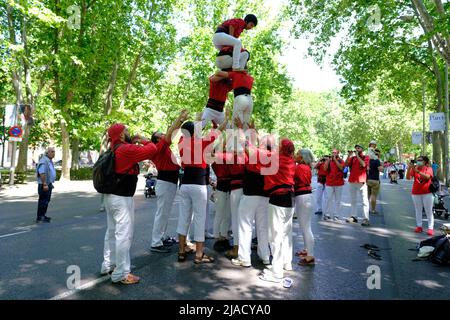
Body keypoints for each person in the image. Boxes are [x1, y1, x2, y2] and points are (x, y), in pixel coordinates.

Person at [101, 123, 159, 285]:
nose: (129, 133)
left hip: (110, 196)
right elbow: (152, 150)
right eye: (126, 131)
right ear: (120, 135)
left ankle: (108, 264)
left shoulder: (115, 149)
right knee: (123, 235)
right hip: (122, 199)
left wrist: (133, 143)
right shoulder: (126, 150)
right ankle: (121, 273)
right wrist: (143, 140)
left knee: (111, 233)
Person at [176, 114, 229, 264]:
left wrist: (197, 121)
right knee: (200, 219)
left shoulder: (181, 141)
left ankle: (181, 251)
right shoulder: (203, 141)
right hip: (199, 184)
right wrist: (225, 119)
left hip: (185, 183)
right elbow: (219, 129)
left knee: (183, 217)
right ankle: (199, 254)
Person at [149, 110, 189, 253]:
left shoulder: (162, 147)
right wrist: (180, 119)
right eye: (160, 134)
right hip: (165, 182)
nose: (163, 134)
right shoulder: (158, 147)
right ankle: (155, 242)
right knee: (162, 213)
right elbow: (171, 133)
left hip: (169, 182)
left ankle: (162, 237)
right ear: (157, 139)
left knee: (165, 212)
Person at [232, 132, 272, 268]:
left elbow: (245, 145)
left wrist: (240, 133)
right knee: (263, 227)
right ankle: (265, 256)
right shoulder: (272, 156)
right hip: (265, 196)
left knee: (245, 226)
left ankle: (244, 258)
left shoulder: (256, 153)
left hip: (250, 194)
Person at [259, 138, 296, 283]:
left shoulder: (275, 159)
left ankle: (276, 273)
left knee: (275, 236)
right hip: (290, 198)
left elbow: (258, 156)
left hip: (278, 198)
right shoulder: (291, 161)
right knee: (286, 234)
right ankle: (287, 263)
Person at [294, 148, 315, 266]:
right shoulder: (305, 167)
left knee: (306, 227)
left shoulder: (299, 167)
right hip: (305, 196)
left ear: (301, 157)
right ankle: (307, 250)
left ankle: (310, 255)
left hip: (302, 197)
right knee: (304, 226)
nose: (295, 155)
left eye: (297, 154)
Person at [406, 156, 434, 236]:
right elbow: (408, 178)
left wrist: (417, 171)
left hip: (427, 193)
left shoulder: (428, 168)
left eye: (420, 160)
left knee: (429, 211)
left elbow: (428, 177)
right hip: (416, 193)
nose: (418, 161)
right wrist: (409, 169)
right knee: (418, 210)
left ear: (425, 161)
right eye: (417, 160)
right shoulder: (414, 168)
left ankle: (430, 228)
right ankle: (419, 226)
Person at [345, 144, 370, 226]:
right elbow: (345, 164)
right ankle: (353, 217)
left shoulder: (365, 157)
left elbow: (363, 165)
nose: (356, 149)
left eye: (358, 148)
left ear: (362, 149)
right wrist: (349, 155)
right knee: (353, 200)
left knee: (364, 201)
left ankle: (366, 218)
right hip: (352, 181)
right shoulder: (352, 158)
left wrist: (357, 156)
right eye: (356, 148)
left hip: (361, 181)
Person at [36, 147, 56, 223]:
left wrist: (50, 183)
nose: (53, 153)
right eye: (52, 152)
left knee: (46, 201)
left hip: (48, 184)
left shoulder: (49, 161)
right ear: (47, 153)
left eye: (54, 152)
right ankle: (40, 217)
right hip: (44, 184)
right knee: (43, 201)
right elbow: (42, 173)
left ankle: (43, 215)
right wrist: (44, 184)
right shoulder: (44, 161)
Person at [323, 149, 345, 222]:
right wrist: (328, 161)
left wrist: (335, 160)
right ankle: (327, 214)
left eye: (335, 152)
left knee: (337, 200)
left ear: (338, 153)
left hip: (339, 183)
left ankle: (336, 215)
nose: (333, 154)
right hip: (329, 182)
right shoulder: (329, 161)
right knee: (328, 199)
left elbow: (341, 168)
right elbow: (324, 168)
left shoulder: (341, 161)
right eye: (332, 152)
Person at [367, 149, 384, 214]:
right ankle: (373, 210)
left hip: (368, 179)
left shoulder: (367, 160)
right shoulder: (377, 161)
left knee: (367, 196)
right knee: (373, 196)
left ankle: (366, 209)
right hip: (375, 180)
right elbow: (381, 170)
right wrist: (381, 164)